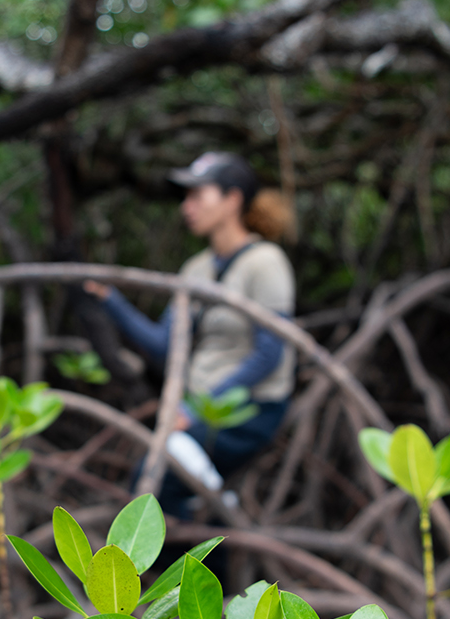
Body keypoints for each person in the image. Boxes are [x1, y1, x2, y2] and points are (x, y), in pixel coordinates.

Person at [85, 152, 296, 515]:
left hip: (247, 413)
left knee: (154, 491)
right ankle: (216, 517)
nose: (187, 206)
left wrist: (197, 409)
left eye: (198, 195)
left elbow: (268, 355)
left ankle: (217, 535)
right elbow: (163, 345)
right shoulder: (195, 269)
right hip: (199, 410)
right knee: (157, 493)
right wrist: (110, 300)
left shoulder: (266, 262)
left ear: (233, 200)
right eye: (185, 197)